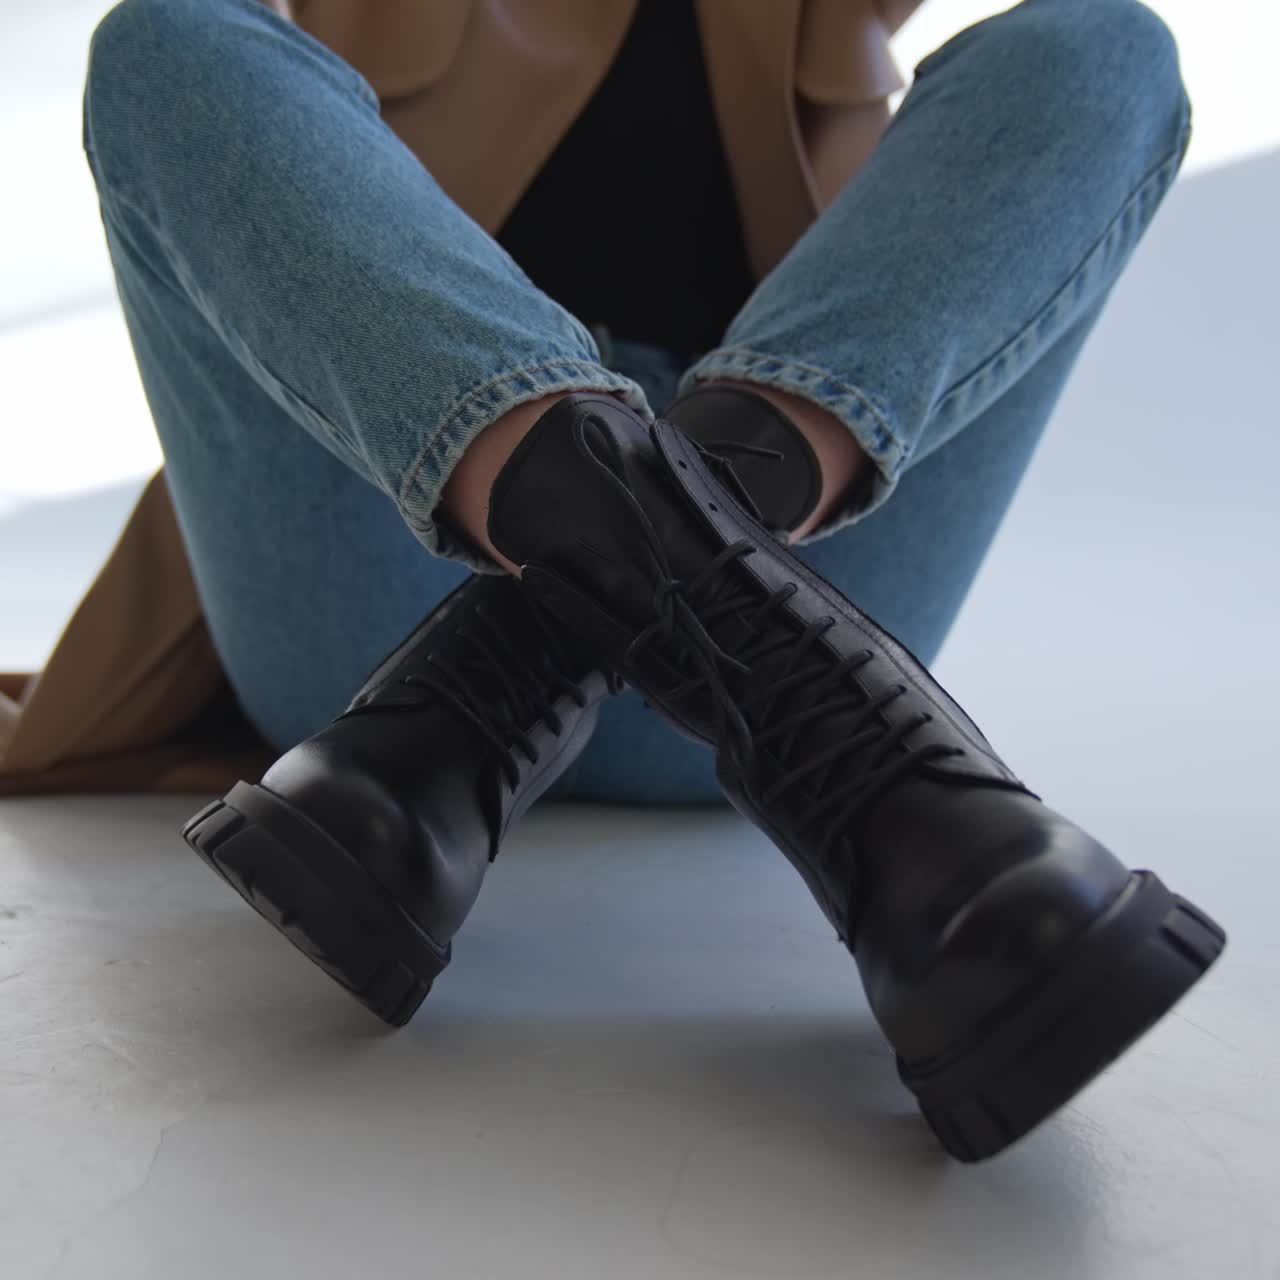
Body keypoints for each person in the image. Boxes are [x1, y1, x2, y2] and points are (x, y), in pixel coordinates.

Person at [78, 0, 1224, 1161]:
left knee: (1097, 49)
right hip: (390, 575)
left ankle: (494, 678)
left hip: (425, 740)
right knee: (174, 40)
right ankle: (876, 791)